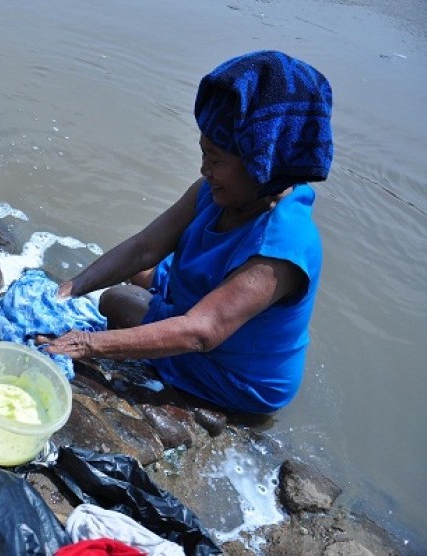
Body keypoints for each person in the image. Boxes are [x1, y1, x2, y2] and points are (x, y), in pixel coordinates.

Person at [39, 50, 334, 414]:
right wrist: (70, 289)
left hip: (234, 374)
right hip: (201, 302)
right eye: (203, 153)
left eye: (216, 160)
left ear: (262, 166)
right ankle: (155, 314)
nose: (204, 169)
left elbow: (201, 332)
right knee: (139, 270)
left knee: (117, 299)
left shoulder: (283, 247)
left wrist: (88, 344)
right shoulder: (217, 191)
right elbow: (145, 247)